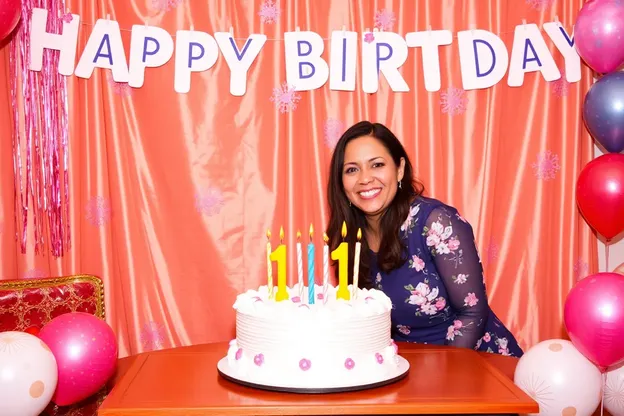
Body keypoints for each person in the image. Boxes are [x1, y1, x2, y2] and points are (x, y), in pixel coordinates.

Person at [326, 121, 523, 357]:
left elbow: (472, 313)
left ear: (399, 169)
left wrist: (441, 381)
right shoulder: (349, 238)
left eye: (377, 165)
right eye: (352, 169)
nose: (365, 178)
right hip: (408, 370)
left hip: (475, 364)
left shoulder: (436, 222)